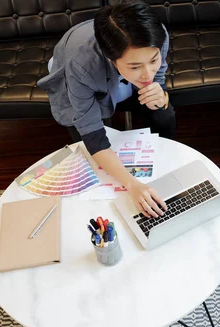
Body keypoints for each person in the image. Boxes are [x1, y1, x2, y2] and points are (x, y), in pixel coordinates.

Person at [38, 0, 174, 219]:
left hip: (117, 75)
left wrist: (161, 96)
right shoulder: (81, 64)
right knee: (89, 148)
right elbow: (93, 134)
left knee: (164, 113)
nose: (147, 74)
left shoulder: (156, 37)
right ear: (112, 60)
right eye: (135, 66)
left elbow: (157, 78)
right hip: (80, 76)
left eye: (153, 60)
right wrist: (132, 184)